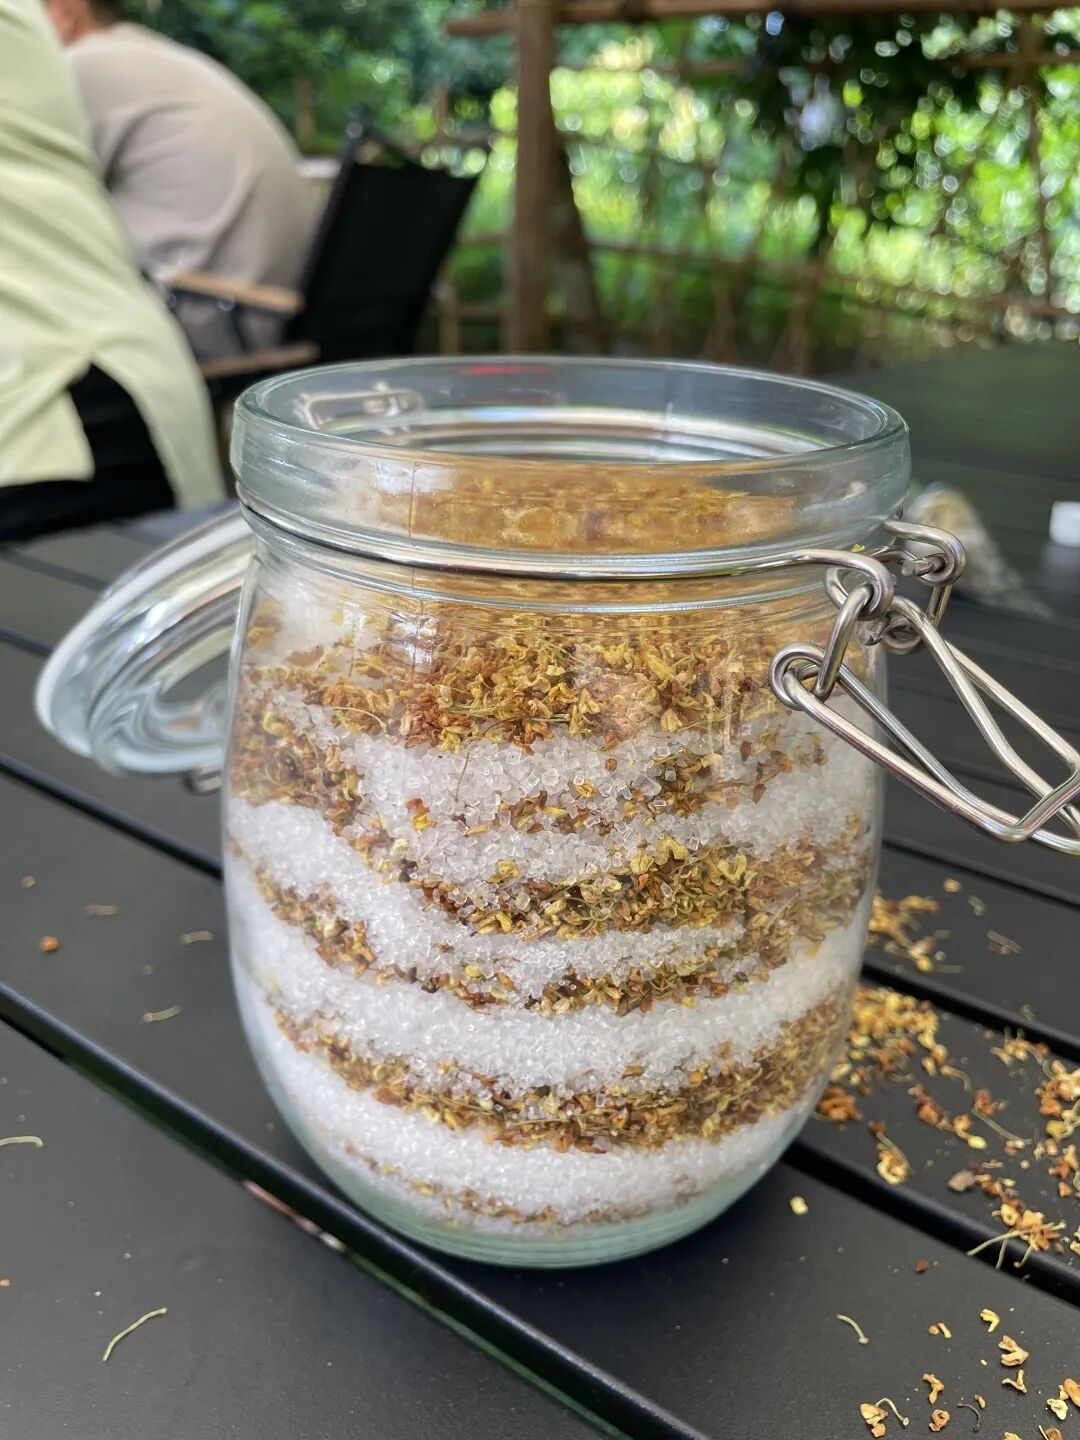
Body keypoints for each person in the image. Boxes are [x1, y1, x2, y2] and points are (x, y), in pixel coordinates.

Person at [0, 0, 224, 541]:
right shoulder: (156, 57)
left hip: (57, 405)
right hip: (145, 357)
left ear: (65, 12)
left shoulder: (92, 62)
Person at [46, 0, 321, 359]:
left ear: (62, 12)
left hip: (214, 321)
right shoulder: (157, 58)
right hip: (271, 317)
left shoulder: (81, 66)